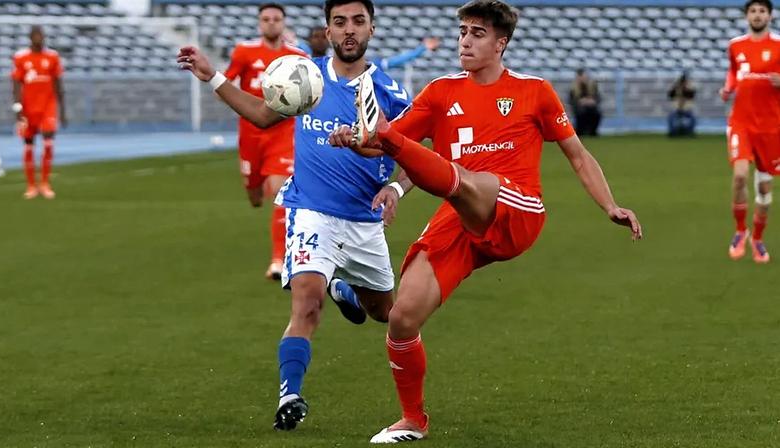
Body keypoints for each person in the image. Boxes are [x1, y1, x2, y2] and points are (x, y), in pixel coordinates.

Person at [330, 0, 642, 442]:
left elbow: (577, 153)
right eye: (462, 32)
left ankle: (444, 174)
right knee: (402, 317)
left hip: (516, 211)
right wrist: (356, 139)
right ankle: (413, 420)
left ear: (501, 43)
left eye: (477, 33)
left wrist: (610, 205)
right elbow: (387, 142)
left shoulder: (535, 90)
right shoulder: (440, 92)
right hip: (460, 215)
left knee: (468, 180)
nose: (465, 41)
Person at [177, 0, 411, 431]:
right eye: (339, 22)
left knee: (384, 313)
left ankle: (347, 290)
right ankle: (290, 395)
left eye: (358, 21)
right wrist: (212, 76)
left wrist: (395, 187)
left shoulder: (391, 93)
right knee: (306, 303)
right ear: (328, 28)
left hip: (363, 221)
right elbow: (262, 115)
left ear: (372, 29)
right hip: (310, 211)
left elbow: (418, 155)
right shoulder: (303, 76)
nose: (348, 30)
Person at [224, 3, 308, 280]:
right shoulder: (244, 52)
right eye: (266, 19)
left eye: (276, 19)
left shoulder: (296, 57)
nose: (271, 23)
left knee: (281, 193)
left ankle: (277, 259)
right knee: (255, 195)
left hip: (283, 133)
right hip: (250, 134)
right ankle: (253, 186)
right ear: (260, 23)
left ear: (284, 23)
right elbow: (226, 84)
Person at [721, 0, 779, 264]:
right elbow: (734, 73)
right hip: (741, 122)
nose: (757, 15)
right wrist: (728, 88)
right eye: (753, 11)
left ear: (770, 15)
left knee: (765, 191)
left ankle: (757, 238)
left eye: (762, 11)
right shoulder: (735, 45)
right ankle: (739, 230)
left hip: (771, 127)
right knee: (740, 176)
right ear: (747, 16)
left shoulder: (779, 45)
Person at [12, 25, 66, 200]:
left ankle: (44, 183)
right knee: (28, 144)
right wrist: (17, 107)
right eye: (35, 35)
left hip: (48, 106)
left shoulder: (52, 57)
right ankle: (31, 185)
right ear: (30, 38)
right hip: (28, 108)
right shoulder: (21, 57)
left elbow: (58, 83)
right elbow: (16, 85)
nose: (39, 38)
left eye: (41, 35)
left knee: (48, 140)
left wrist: (62, 109)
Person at [293, 27, 441, 69]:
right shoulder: (301, 59)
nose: (319, 41)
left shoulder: (339, 62)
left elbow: (391, 63)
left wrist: (421, 49)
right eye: (315, 37)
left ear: (329, 37)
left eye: (323, 37)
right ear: (309, 40)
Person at [568, 68, 601, 136]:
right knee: (581, 113)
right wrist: (580, 102)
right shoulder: (573, 87)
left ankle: (593, 131)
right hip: (579, 108)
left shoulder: (592, 85)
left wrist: (592, 101)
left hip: (591, 106)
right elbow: (572, 100)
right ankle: (580, 131)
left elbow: (597, 97)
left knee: (597, 113)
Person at [667, 71, 696, 137]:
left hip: (686, 108)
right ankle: (672, 132)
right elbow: (670, 95)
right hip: (677, 108)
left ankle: (690, 132)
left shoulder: (689, 87)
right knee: (670, 117)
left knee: (692, 118)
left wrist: (685, 88)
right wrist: (676, 88)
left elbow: (692, 95)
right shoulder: (676, 87)